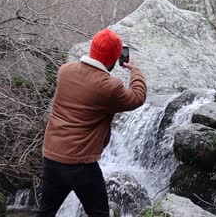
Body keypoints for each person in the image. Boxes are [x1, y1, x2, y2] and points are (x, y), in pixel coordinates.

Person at [36, 29, 147, 216]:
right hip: (80, 165)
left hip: (52, 156)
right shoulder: (109, 86)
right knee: (99, 213)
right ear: (114, 58)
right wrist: (134, 69)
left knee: (45, 212)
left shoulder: (65, 71)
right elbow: (137, 97)